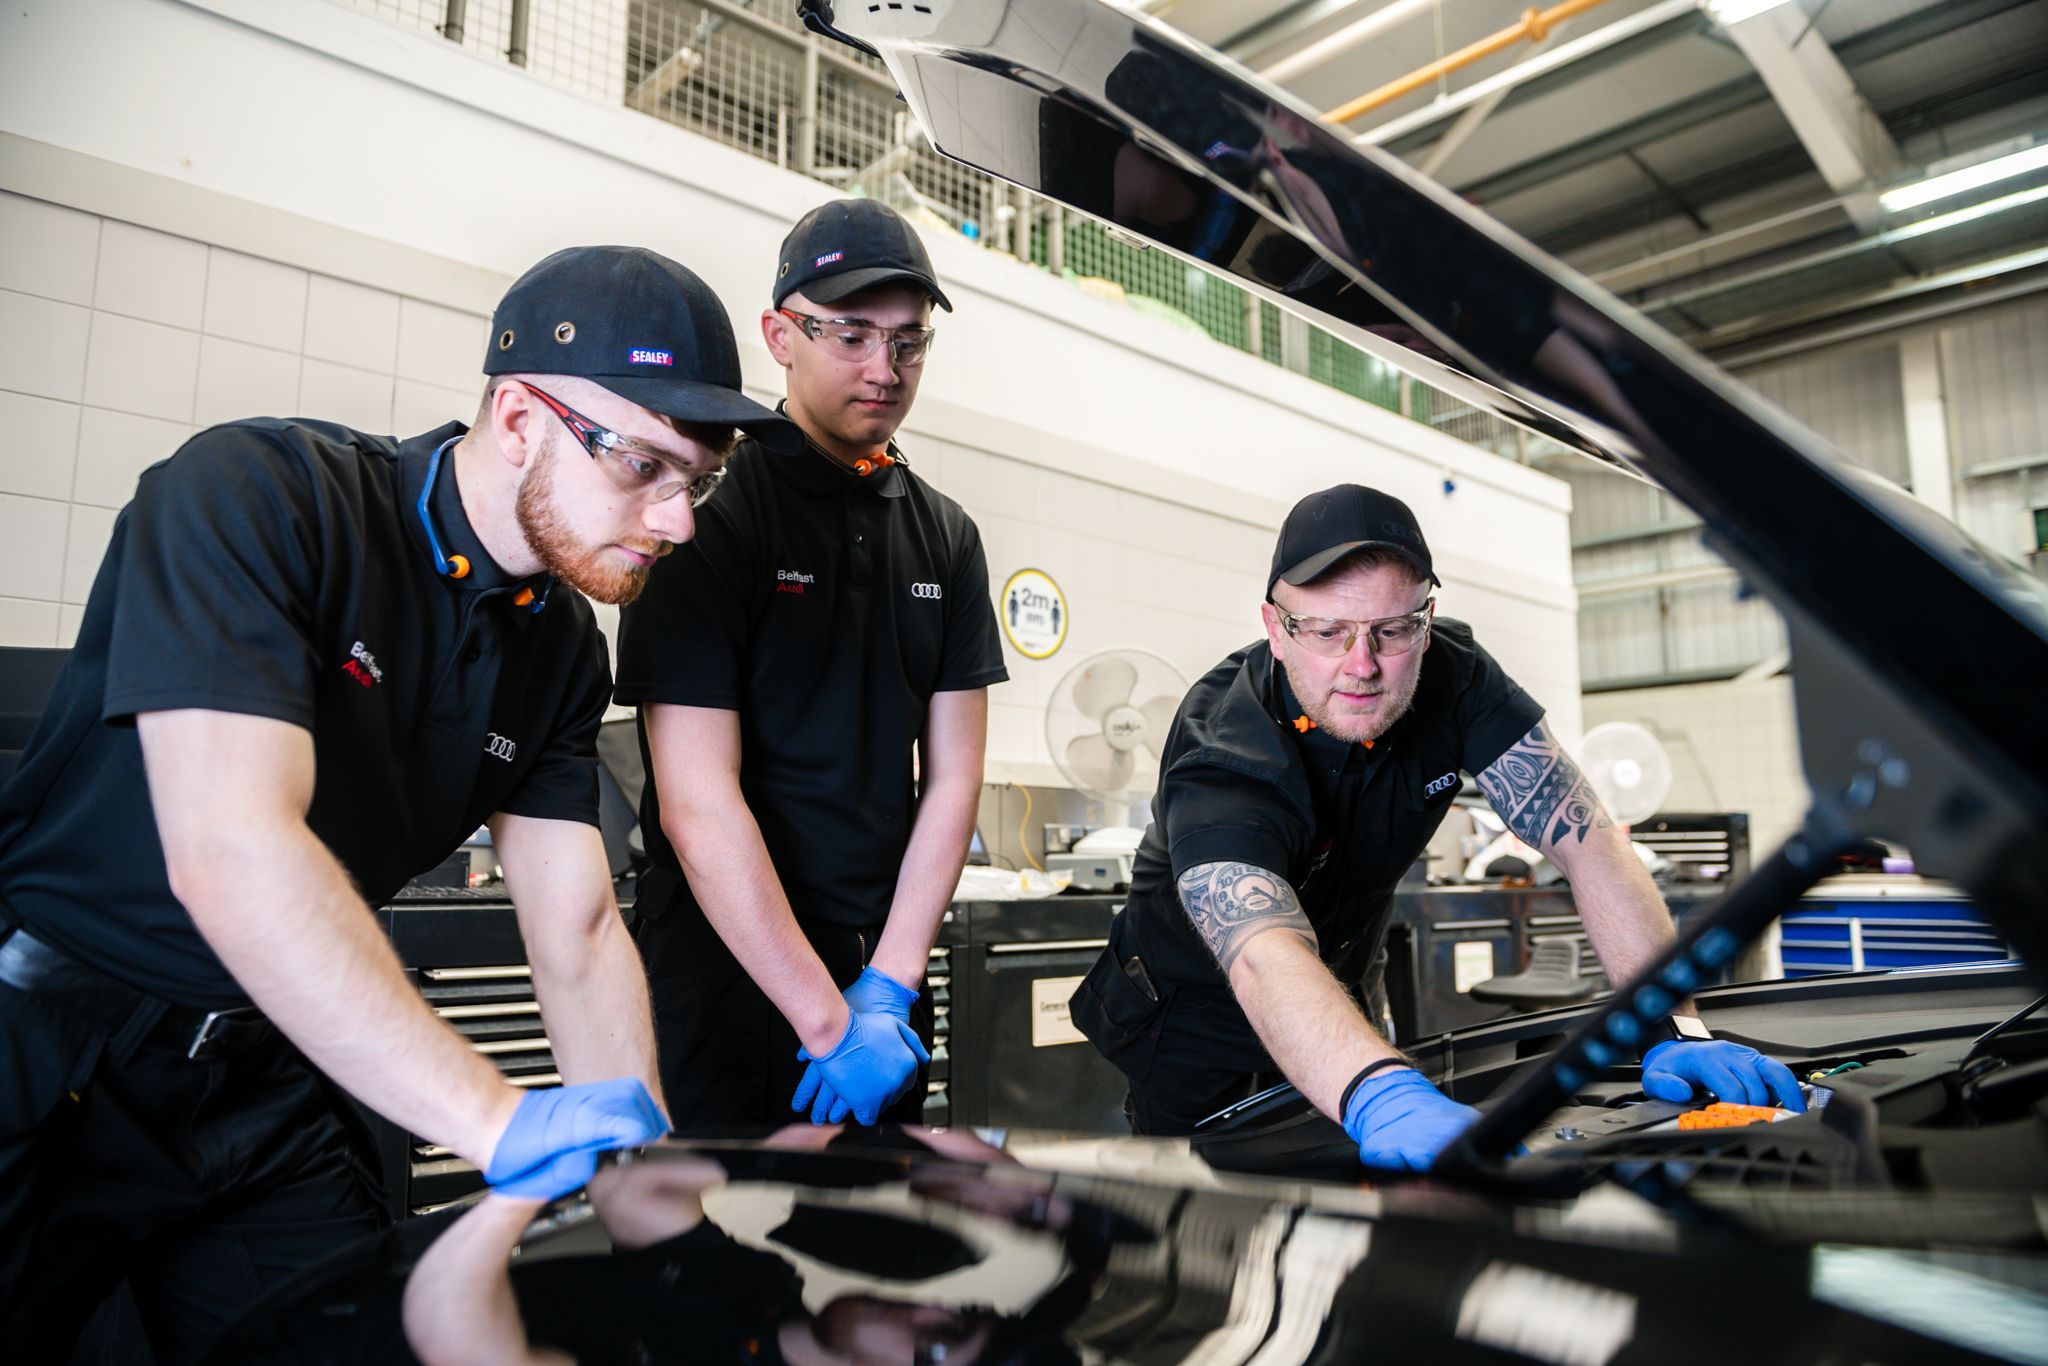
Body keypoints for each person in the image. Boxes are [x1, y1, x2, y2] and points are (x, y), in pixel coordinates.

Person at [0, 245, 799, 1361]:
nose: (678, 524)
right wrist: (499, 1119)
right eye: (643, 467)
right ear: (519, 415)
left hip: (265, 1080)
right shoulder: (261, 498)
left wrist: (641, 1188)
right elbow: (232, 850)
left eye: (698, 481)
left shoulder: (563, 649)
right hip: (54, 1053)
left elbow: (572, 928)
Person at [1070, 485, 1806, 1169]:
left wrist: (1670, 1024)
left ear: (1424, 620)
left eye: (1391, 630)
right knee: (1219, 1244)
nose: (1361, 666)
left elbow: (1589, 839)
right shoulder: (1224, 749)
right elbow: (1261, 952)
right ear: (1276, 629)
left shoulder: (1454, 675)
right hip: (1195, 1030)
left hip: (1342, 997)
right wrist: (1385, 1096)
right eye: (1328, 631)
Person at [617, 199, 1007, 1131]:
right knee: (719, 1256)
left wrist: (889, 986)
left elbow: (953, 779)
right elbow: (696, 799)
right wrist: (826, 1023)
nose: (885, 369)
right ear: (779, 335)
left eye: (909, 343)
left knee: (877, 1250)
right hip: (726, 966)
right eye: (851, 335)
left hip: (883, 977)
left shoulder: (946, 536)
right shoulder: (706, 512)